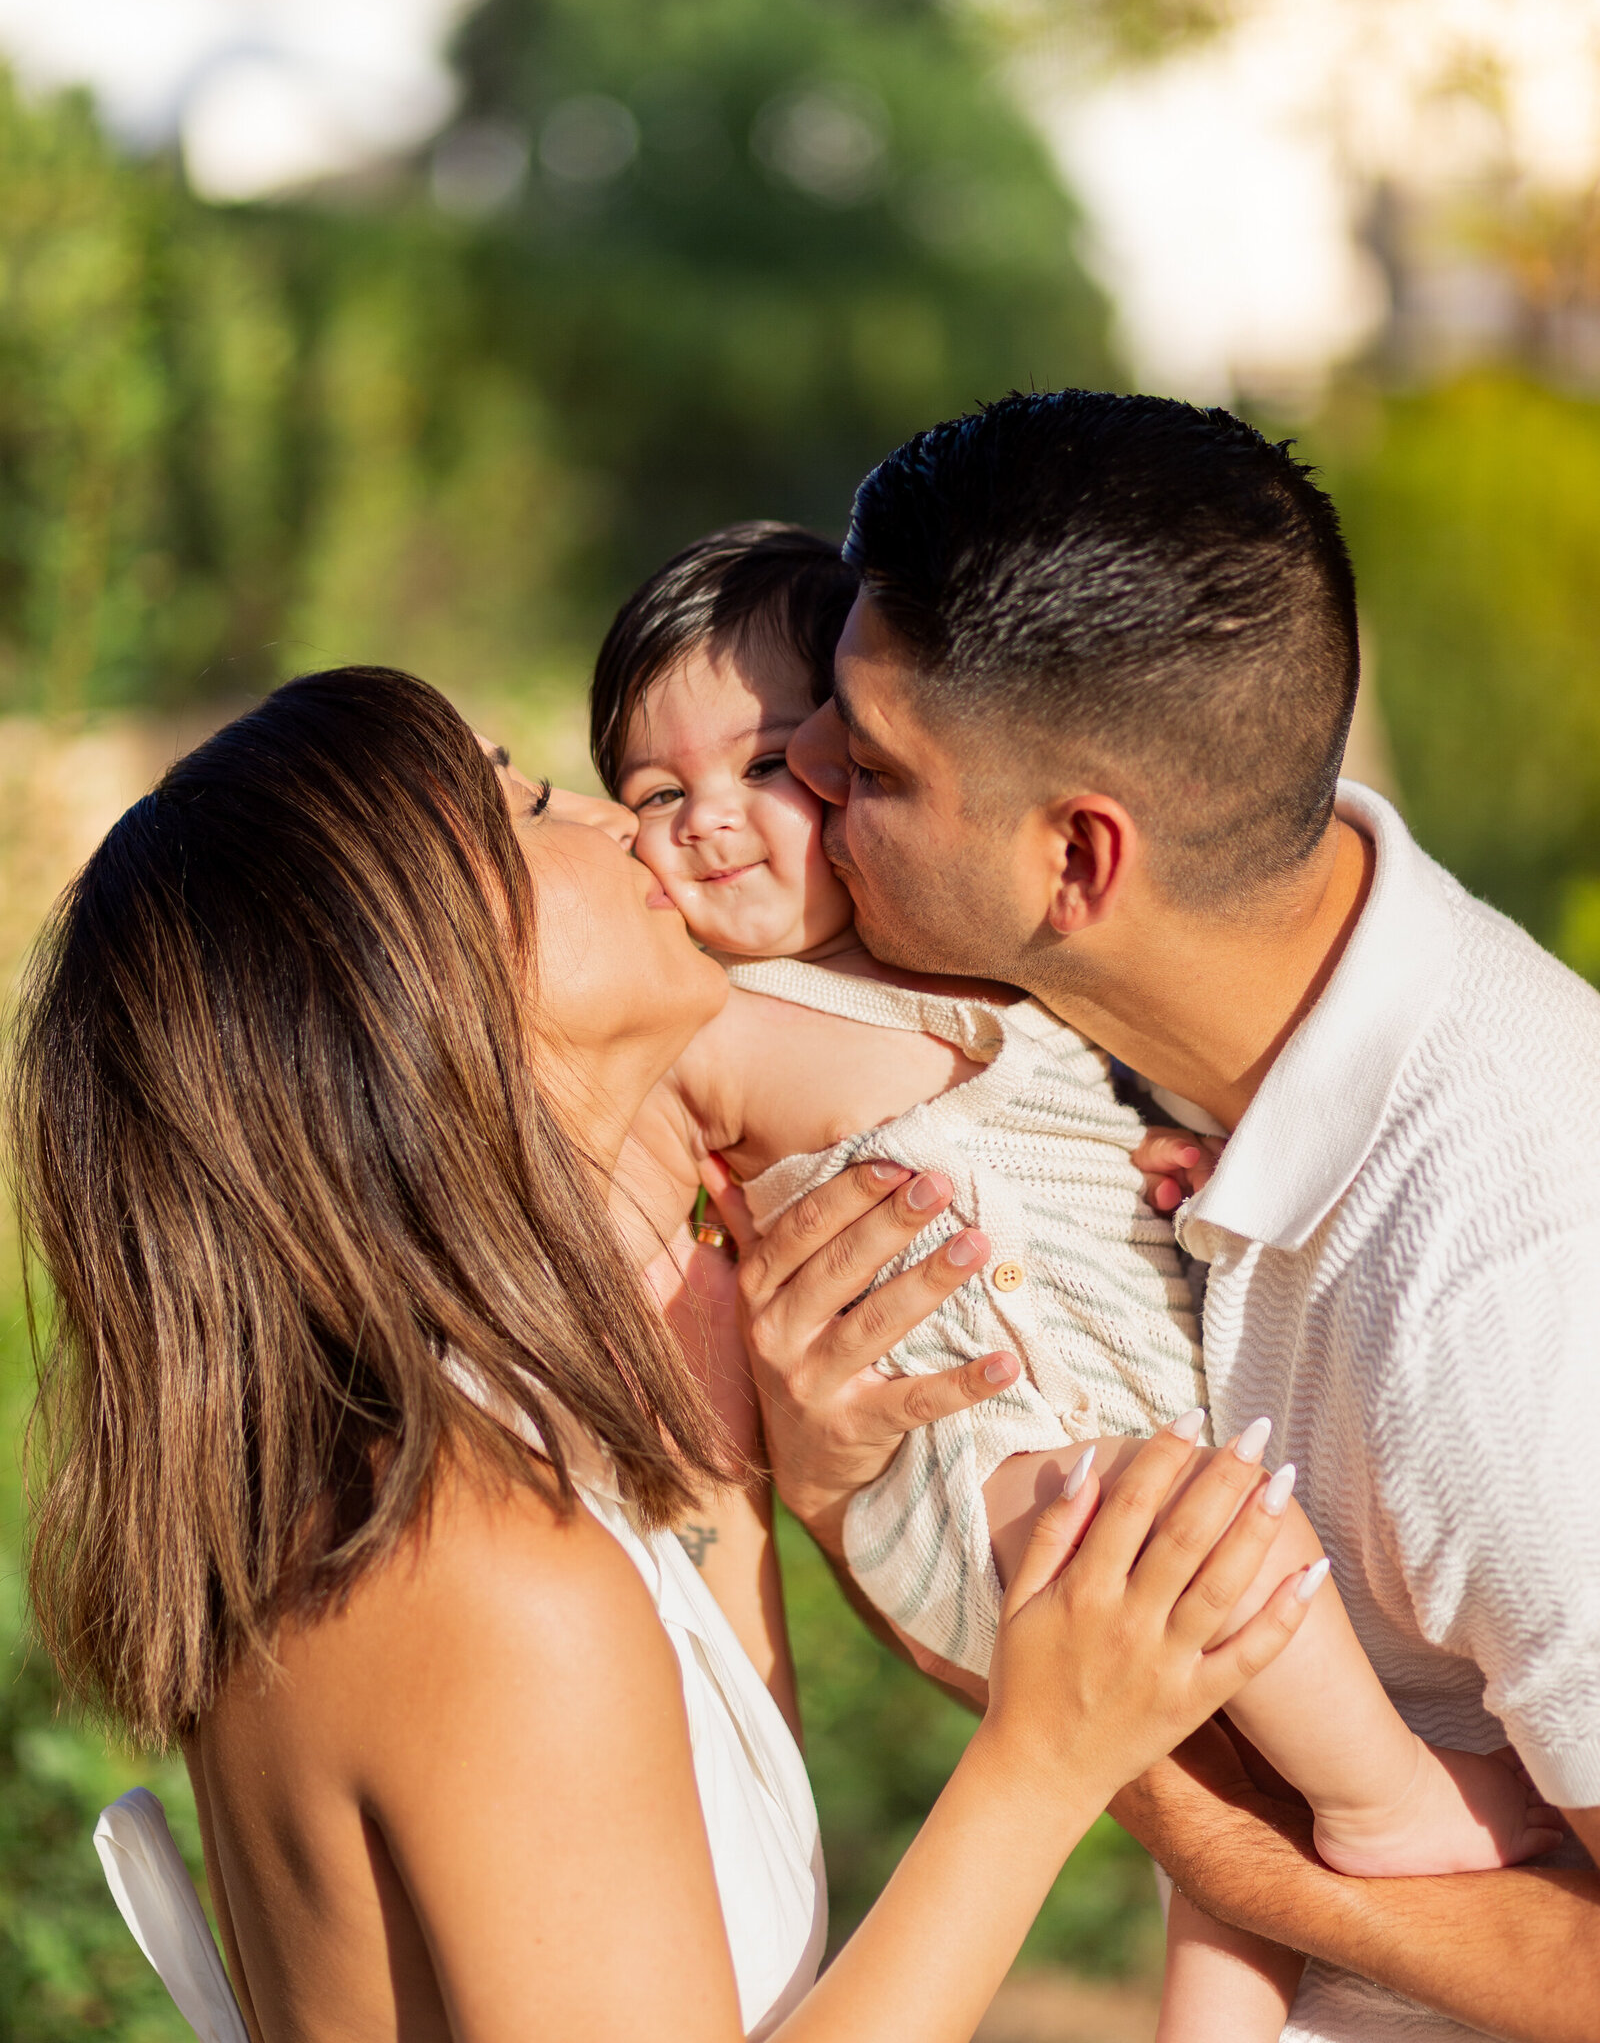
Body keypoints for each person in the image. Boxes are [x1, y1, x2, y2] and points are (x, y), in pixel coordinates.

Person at [10, 663, 1315, 2043]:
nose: (613, 819)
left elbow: (734, 1940)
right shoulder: (478, 1568)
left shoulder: (434, 1485)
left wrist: (760, 1483)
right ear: (422, 982)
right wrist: (1039, 1763)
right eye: (521, 805)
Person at [590, 523, 1560, 2041]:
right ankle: (1389, 1800)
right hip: (988, 1461)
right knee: (1185, 1543)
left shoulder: (1008, 977)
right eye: (654, 797)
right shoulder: (711, 1015)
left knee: (1217, 1767)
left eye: (791, 762)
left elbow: (1099, 1116)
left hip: (1095, 1406)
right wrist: (810, 1459)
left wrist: (1181, 1154)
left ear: (1075, 857)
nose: (717, 821)